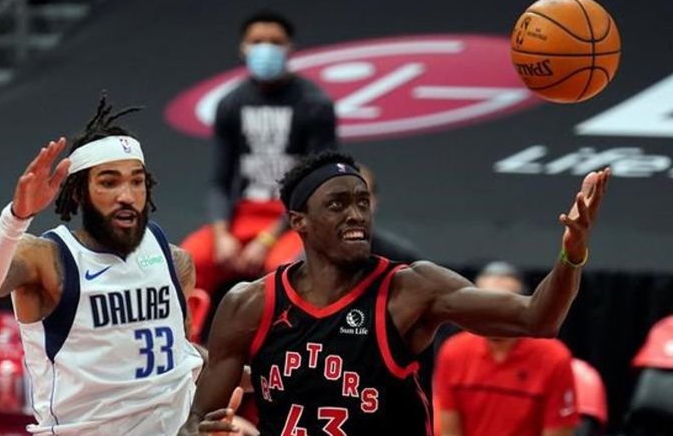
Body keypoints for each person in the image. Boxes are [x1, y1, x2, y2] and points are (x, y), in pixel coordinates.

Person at [178, 151, 610, 436]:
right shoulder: (251, 304)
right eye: (337, 204)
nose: (356, 214)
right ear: (299, 222)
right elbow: (197, 418)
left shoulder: (411, 288)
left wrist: (571, 254)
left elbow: (538, 318)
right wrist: (198, 429)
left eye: (362, 202)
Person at [0, 96, 204, 435]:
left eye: (136, 181)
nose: (126, 195)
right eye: (109, 182)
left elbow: (183, 357)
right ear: (78, 192)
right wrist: (16, 218)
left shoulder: (173, 261)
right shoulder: (48, 258)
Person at [181, 9, 338, 297]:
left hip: (294, 220)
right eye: (257, 41)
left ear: (290, 48)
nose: (266, 49)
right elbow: (219, 181)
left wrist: (267, 239)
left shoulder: (315, 104)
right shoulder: (230, 104)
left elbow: (317, 185)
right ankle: (194, 328)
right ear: (243, 48)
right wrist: (221, 234)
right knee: (187, 263)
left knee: (286, 273)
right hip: (241, 217)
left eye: (275, 42)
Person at [433, 261, 579, 436]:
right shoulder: (453, 351)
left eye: (502, 305)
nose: (493, 314)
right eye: (484, 304)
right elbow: (449, 431)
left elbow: (558, 431)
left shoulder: (554, 357)